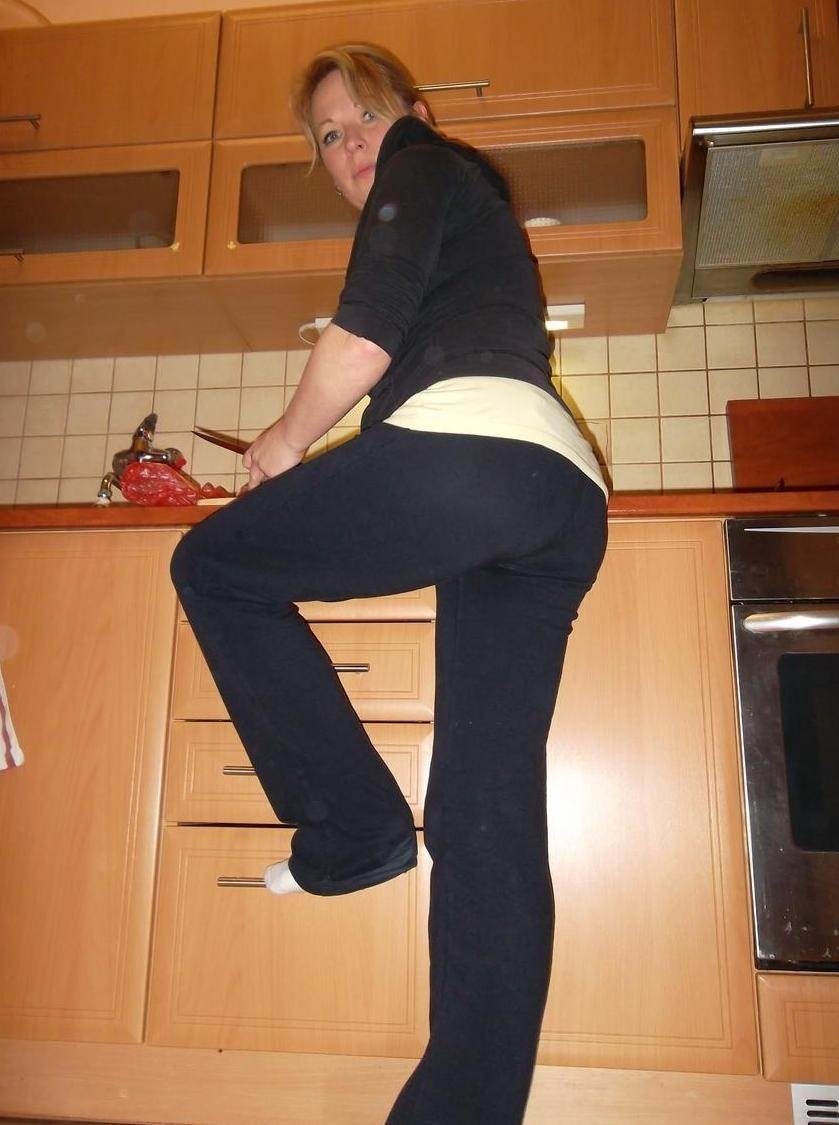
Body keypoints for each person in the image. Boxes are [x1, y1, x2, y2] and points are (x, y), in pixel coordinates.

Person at [170, 42, 608, 1125]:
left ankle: (354, 832)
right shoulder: (464, 209)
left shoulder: (424, 165)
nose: (351, 144)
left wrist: (281, 444)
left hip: (472, 462)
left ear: (412, 114)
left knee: (213, 566)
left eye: (363, 116)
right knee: (484, 813)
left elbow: (361, 338)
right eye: (328, 136)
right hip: (557, 502)